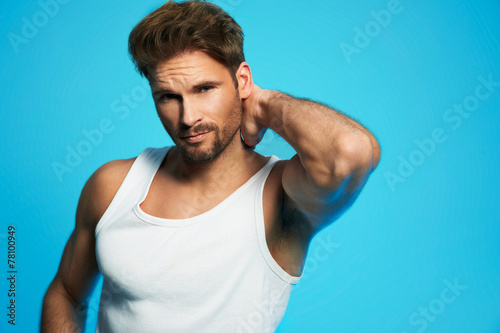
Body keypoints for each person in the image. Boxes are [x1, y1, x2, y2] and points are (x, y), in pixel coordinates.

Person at [41, 1, 381, 332]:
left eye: (205, 89)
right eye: (168, 97)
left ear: (242, 81)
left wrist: (264, 104)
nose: (188, 118)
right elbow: (66, 293)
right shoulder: (112, 185)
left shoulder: (281, 198)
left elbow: (349, 153)